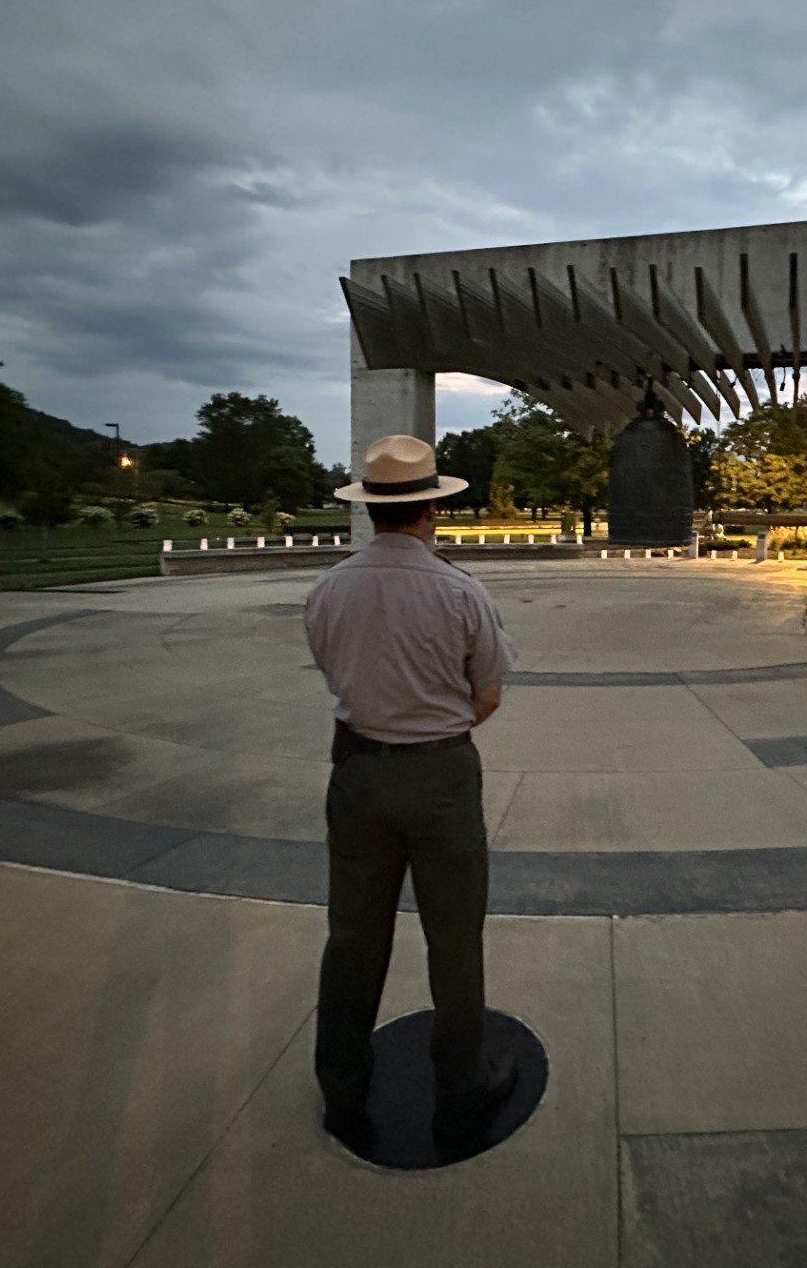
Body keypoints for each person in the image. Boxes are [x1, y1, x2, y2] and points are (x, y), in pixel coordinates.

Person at [304, 434, 518, 1153]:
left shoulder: (329, 588)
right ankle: (459, 1086)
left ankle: (341, 1086)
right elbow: (486, 693)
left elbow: (332, 673)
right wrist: (437, 719)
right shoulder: (460, 591)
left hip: (357, 772)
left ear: (369, 512)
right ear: (431, 507)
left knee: (354, 937)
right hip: (440, 776)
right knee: (454, 937)